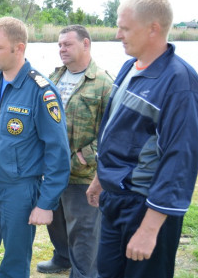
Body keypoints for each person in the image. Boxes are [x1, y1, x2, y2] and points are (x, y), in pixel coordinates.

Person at [86, 0, 198, 278]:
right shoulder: (130, 67)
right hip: (115, 199)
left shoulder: (180, 83)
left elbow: (181, 161)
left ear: (153, 28)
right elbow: (116, 130)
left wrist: (150, 229)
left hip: (145, 205)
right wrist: (100, 177)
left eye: (125, 28)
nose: (117, 35)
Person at [0, 16, 70, 278]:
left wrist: (46, 203)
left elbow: (58, 153)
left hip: (19, 191)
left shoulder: (41, 91)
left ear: (19, 48)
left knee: (14, 260)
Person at [36, 25, 114, 277]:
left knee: (83, 233)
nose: (62, 49)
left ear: (86, 44)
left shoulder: (103, 82)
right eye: (59, 45)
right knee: (56, 223)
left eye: (67, 44)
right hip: (53, 170)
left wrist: (84, 157)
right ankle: (62, 257)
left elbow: (112, 133)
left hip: (83, 175)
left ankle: (82, 273)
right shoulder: (53, 78)